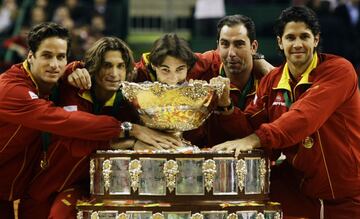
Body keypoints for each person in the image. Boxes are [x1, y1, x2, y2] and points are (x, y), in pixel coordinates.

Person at [0, 22, 179, 217]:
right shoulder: (13, 90)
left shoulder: (125, 99)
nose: (54, 64)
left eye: (61, 57)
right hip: (36, 189)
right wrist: (128, 131)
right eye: (46, 56)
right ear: (30, 57)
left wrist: (72, 69)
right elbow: (66, 125)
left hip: (22, 189)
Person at [212, 6, 360, 219]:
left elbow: (304, 117)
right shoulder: (272, 81)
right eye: (290, 37)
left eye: (304, 37)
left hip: (346, 198)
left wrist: (256, 138)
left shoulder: (339, 71)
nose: (297, 44)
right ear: (280, 42)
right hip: (299, 193)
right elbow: (248, 126)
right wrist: (226, 108)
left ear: (316, 40)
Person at [135, 15, 274, 147]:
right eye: (225, 44)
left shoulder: (269, 81)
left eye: (239, 44)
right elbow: (159, 60)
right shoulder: (205, 64)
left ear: (254, 47)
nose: (231, 53)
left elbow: (255, 138)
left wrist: (226, 107)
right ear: (218, 46)